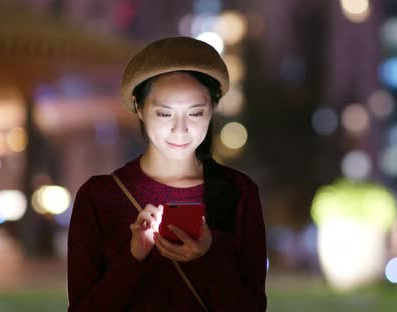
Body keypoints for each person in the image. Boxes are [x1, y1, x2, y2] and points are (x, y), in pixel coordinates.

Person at [67, 37, 267, 311]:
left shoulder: (239, 191)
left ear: (213, 108)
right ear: (139, 107)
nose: (180, 129)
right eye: (164, 114)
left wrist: (207, 258)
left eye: (195, 113)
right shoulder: (100, 197)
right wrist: (134, 257)